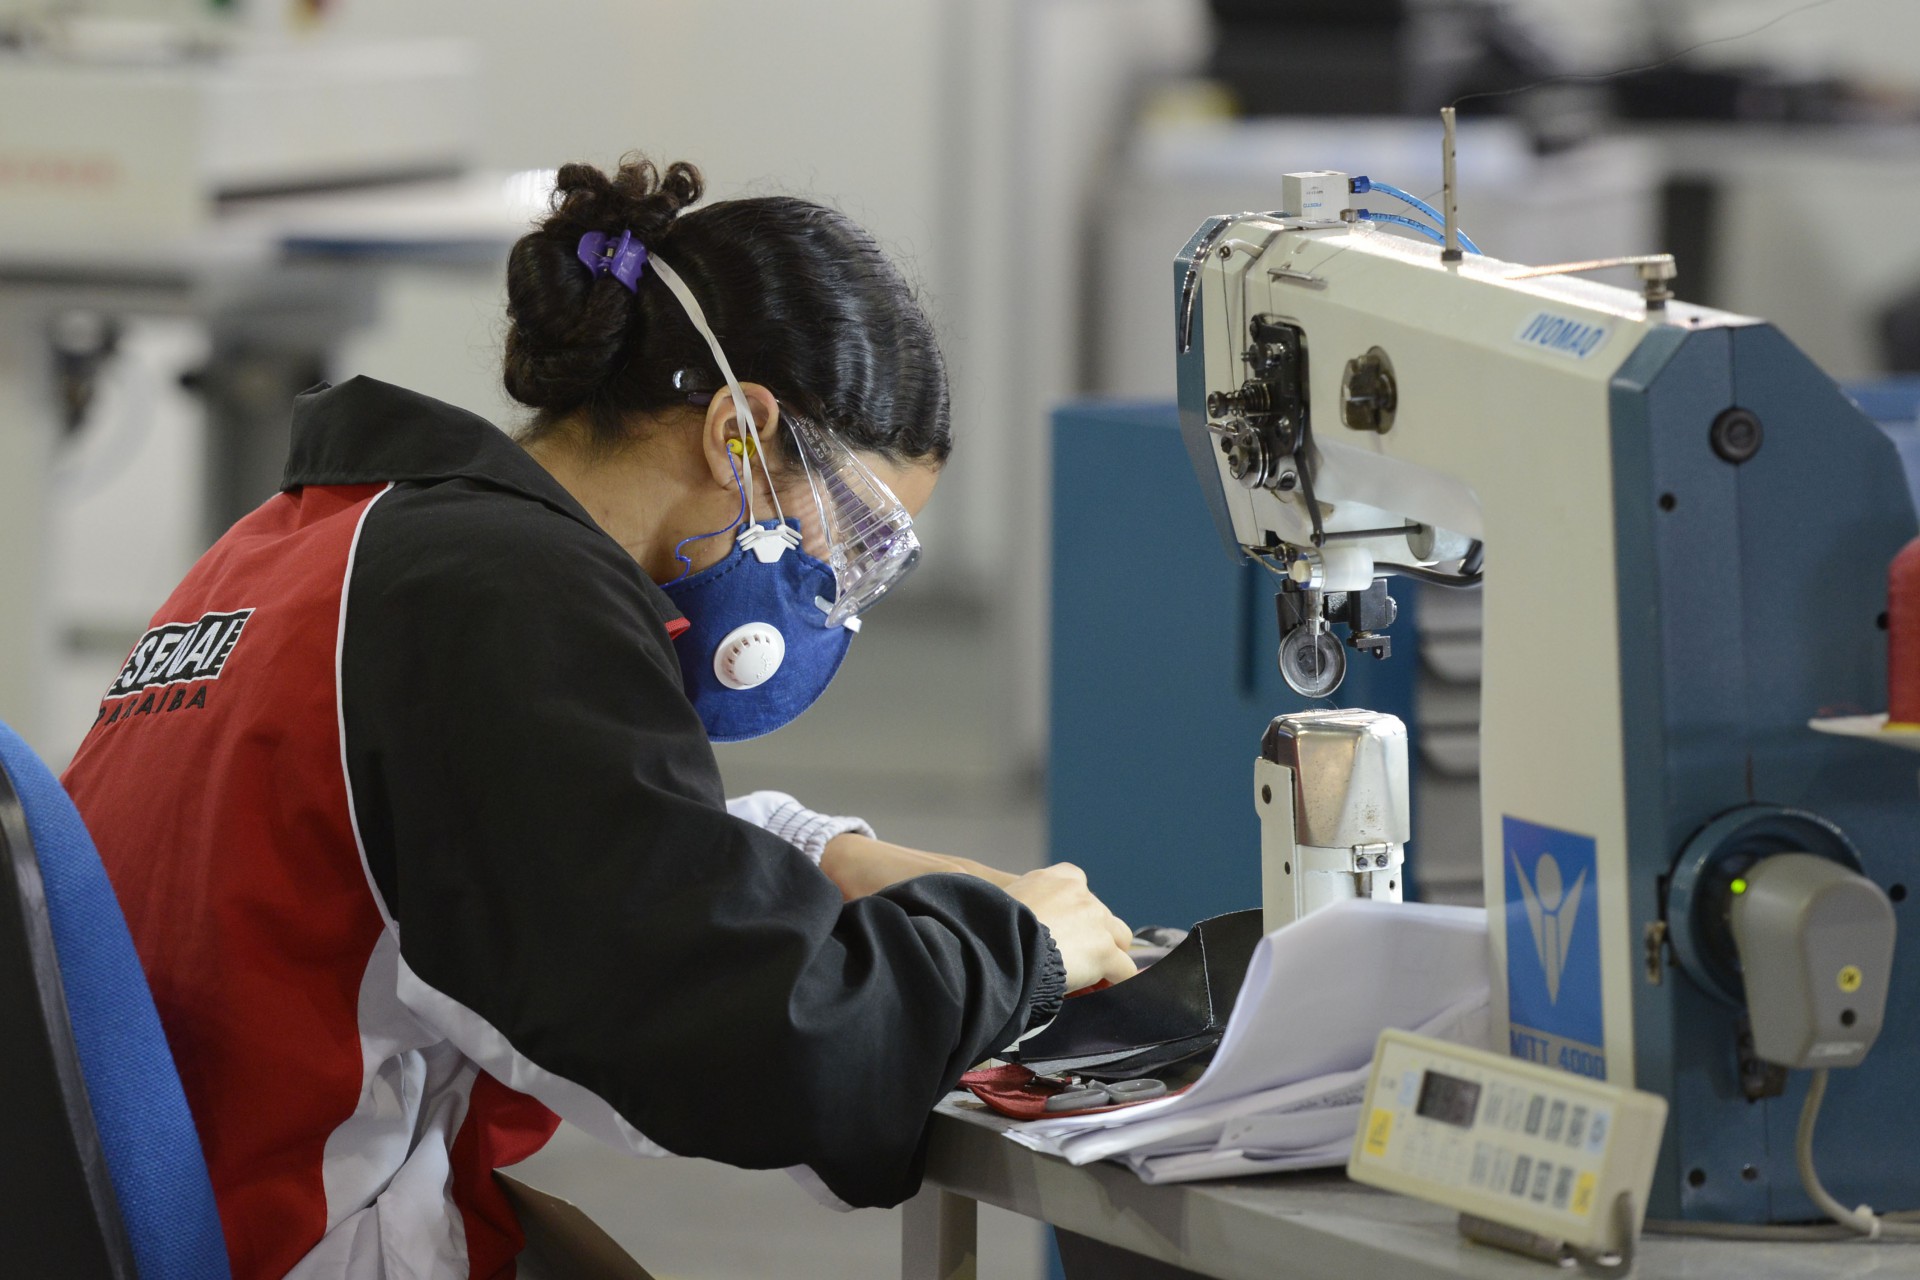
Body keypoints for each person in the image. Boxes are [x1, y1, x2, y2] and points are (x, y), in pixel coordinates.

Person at [60, 156, 1137, 1279]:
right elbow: (758, 1046)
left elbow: (512, 833)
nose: (840, 592)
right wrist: (1020, 951)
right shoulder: (508, 602)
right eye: (856, 538)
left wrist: (827, 857)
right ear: (739, 435)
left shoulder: (331, 541)